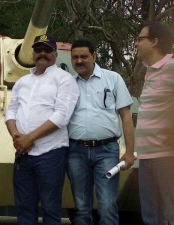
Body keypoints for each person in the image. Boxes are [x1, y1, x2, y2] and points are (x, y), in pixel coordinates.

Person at [5, 34, 79, 225]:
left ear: (55, 53)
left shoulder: (64, 79)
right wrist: (17, 137)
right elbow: (11, 111)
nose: (43, 53)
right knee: (24, 208)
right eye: (39, 49)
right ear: (33, 53)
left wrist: (29, 138)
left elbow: (61, 116)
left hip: (50, 154)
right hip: (23, 154)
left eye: (47, 49)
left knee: (51, 208)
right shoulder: (22, 82)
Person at [67, 39, 135, 225]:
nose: (79, 61)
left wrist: (129, 152)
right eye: (75, 57)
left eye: (84, 56)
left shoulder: (113, 79)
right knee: (81, 208)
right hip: (75, 152)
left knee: (107, 205)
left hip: (107, 151)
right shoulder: (68, 84)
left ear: (94, 56)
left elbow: (126, 116)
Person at [135, 22, 174, 225]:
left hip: (167, 157)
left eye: (140, 39)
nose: (136, 43)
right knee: (151, 217)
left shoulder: (171, 66)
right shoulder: (151, 70)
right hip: (147, 155)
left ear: (155, 41)